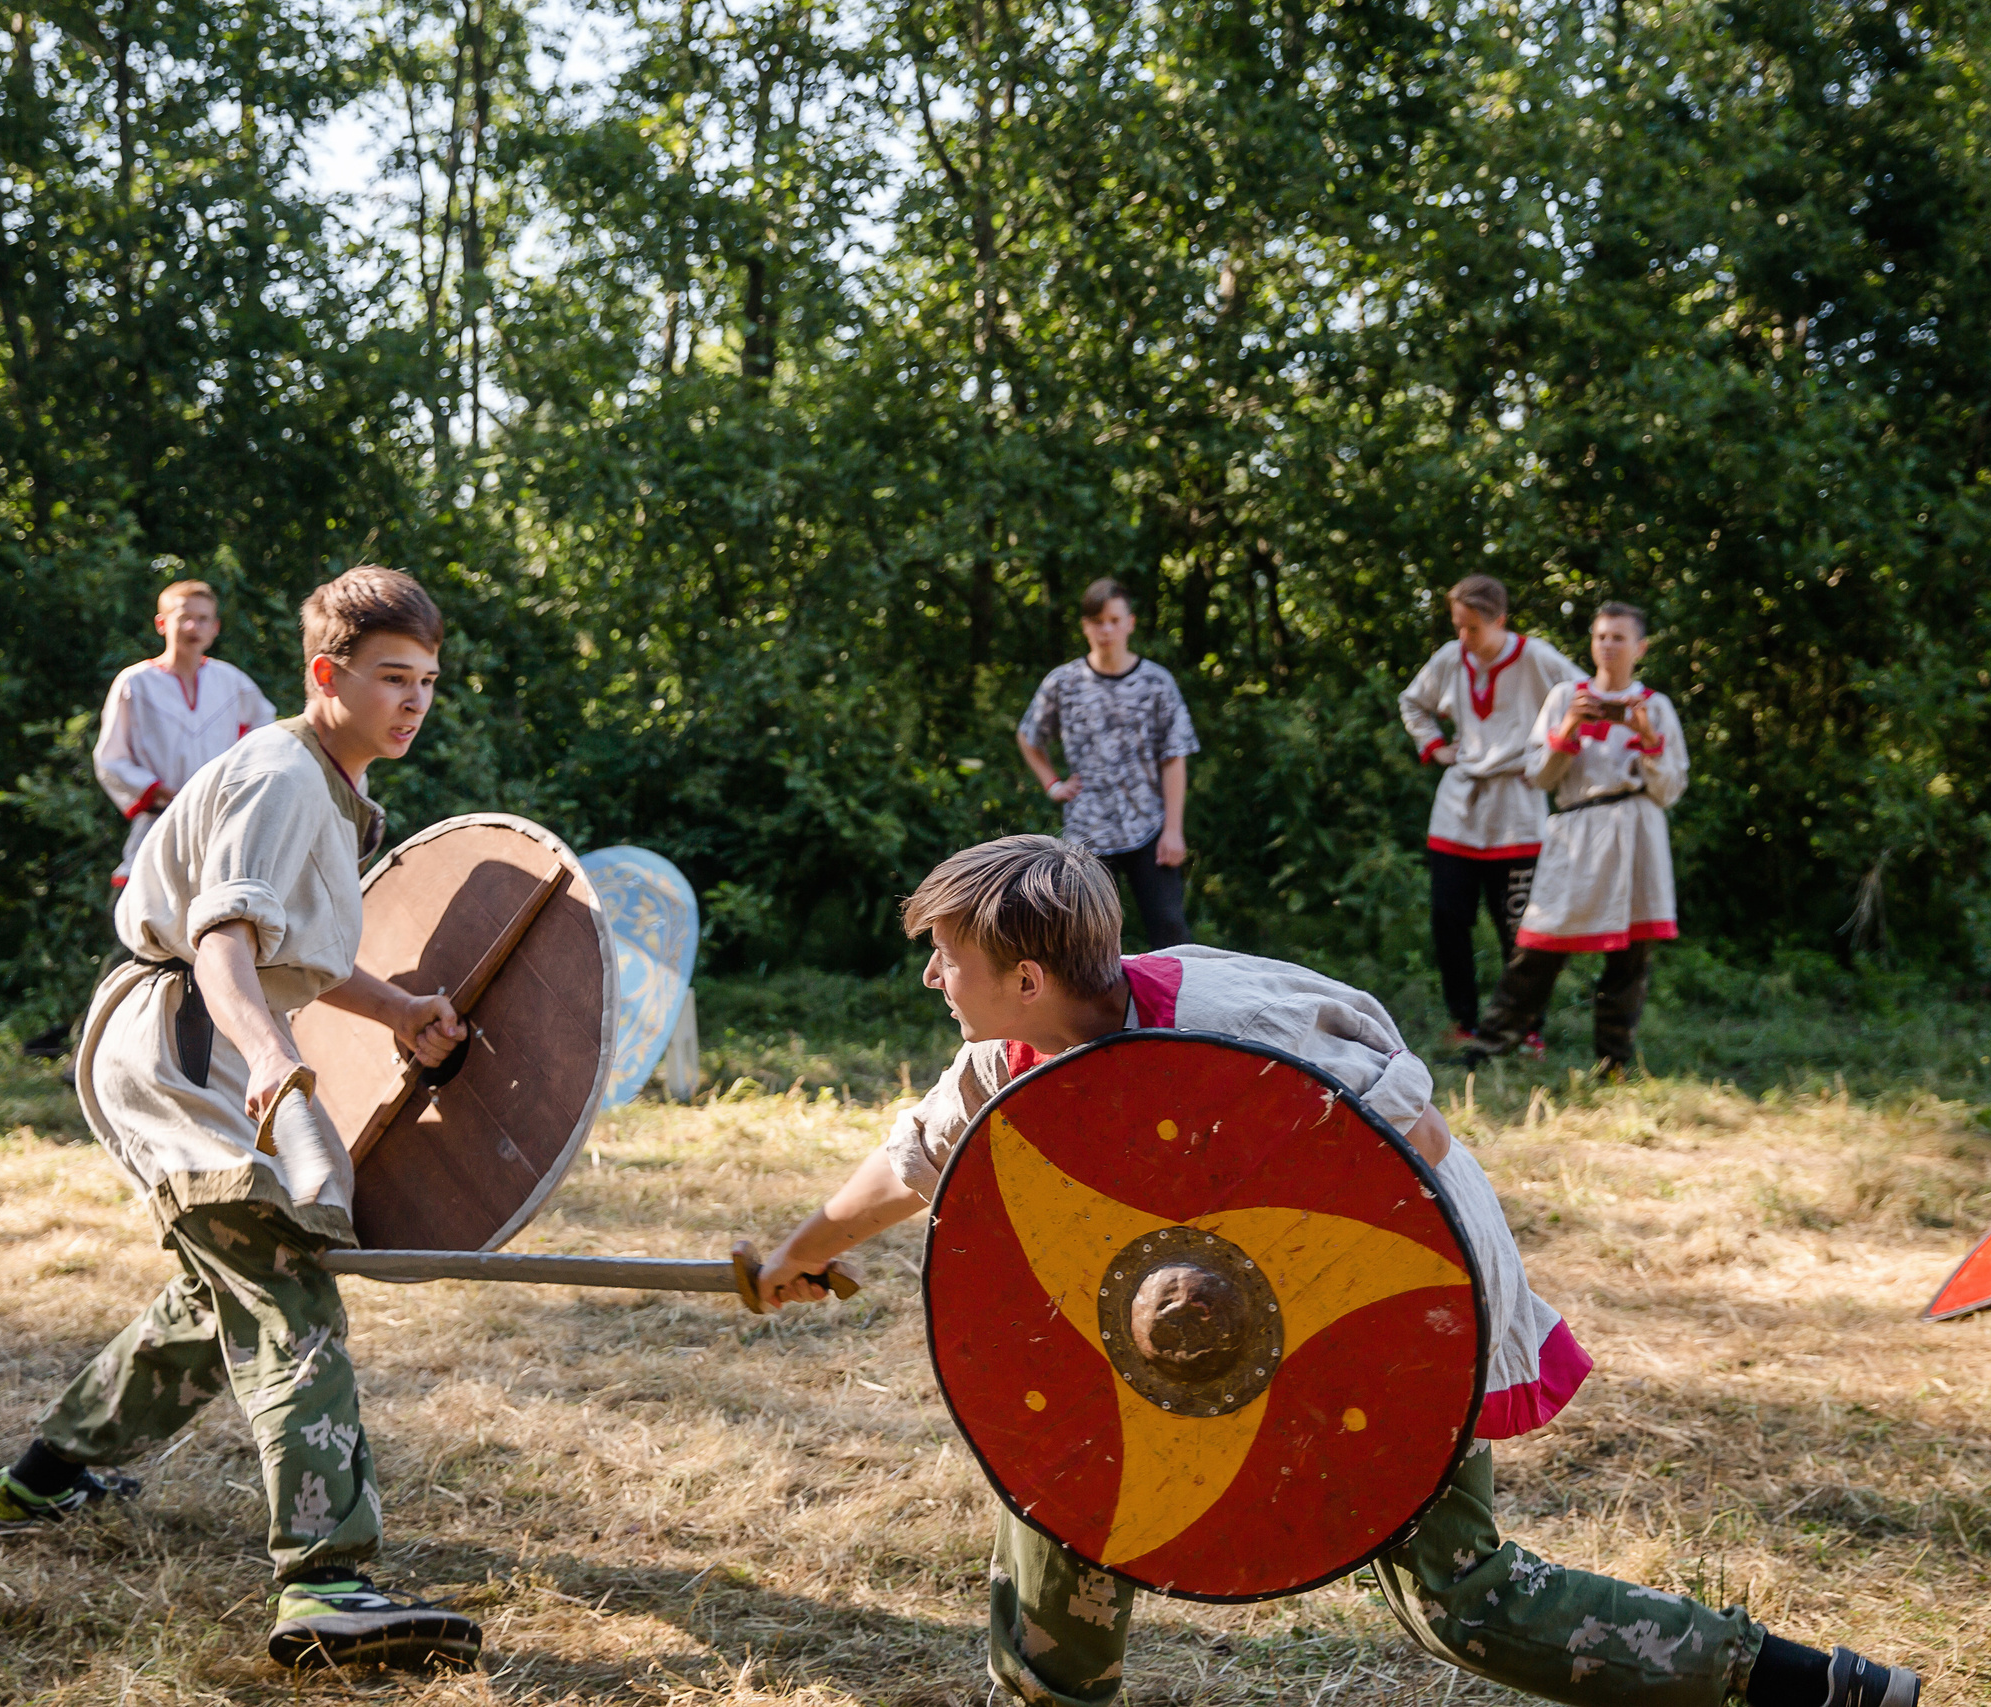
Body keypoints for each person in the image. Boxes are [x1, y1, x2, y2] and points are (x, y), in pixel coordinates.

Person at [749, 836, 1918, 1707]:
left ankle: (1804, 1687)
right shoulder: (1014, 1054)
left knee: (1464, 1603)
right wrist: (796, 1256)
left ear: (1024, 977)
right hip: (1180, 1320)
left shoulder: (1235, 1021)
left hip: (1376, 1293)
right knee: (1070, 1477)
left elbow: (1413, 1143)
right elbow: (917, 1157)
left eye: (946, 958)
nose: (930, 978)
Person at [0, 568, 485, 1671]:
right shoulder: (282, 776)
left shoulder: (331, 789)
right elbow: (221, 945)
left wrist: (396, 1010)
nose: (414, 700)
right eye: (392, 677)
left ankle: (40, 1480)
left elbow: (296, 952)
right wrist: (273, 1055)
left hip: (206, 1039)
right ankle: (327, 1584)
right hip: (181, 1042)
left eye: (429, 681)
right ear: (326, 674)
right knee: (286, 1276)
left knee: (223, 1290)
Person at [1465, 603, 1687, 1074]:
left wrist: (1648, 738)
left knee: (1631, 956)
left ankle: (1614, 1062)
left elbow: (1669, 790)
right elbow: (1539, 776)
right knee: (1540, 943)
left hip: (1637, 834)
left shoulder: (1656, 706)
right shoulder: (1565, 696)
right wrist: (1568, 727)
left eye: (1619, 637)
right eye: (1601, 636)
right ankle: (1489, 1048)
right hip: (1577, 830)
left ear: (1640, 648)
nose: (1607, 645)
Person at [1398, 575, 1583, 1047]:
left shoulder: (1536, 657)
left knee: (1520, 928)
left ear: (1500, 620)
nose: (1464, 636)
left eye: (1473, 627)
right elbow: (1412, 702)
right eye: (1458, 626)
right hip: (1458, 810)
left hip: (1517, 810)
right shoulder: (1450, 658)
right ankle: (1464, 1022)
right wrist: (1435, 746)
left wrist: (1550, 753)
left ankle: (1524, 1028)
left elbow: (1583, 698)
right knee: (1449, 920)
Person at [1016, 579, 1199, 948]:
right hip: (1087, 834)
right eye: (1098, 622)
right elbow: (1029, 736)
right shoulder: (1064, 682)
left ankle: (1175, 988)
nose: (1106, 630)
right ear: (1085, 626)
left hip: (1148, 827)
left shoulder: (1156, 682)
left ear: (1130, 623)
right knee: (1085, 940)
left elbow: (1173, 757)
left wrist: (1173, 830)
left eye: (1114, 620)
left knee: (1170, 929)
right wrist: (1053, 784)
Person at [93, 578, 277, 889]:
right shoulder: (135, 683)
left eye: (203, 619)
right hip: (158, 821)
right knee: (150, 905)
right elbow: (110, 757)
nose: (194, 627)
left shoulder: (232, 681)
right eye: (184, 617)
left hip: (220, 825)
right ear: (162, 623)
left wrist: (236, 785)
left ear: (215, 627)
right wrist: (159, 791)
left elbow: (265, 736)